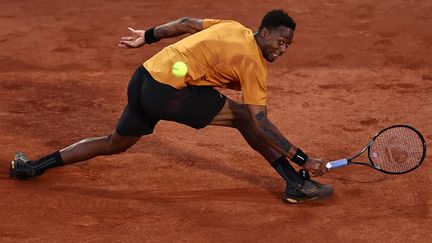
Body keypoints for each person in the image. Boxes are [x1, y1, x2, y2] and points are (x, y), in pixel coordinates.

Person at [10, 9, 332, 203]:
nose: (282, 49)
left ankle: (32, 167)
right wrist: (302, 157)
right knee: (244, 119)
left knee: (114, 143)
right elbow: (259, 122)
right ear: (263, 33)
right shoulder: (254, 66)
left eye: (287, 45)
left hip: (143, 77)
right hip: (167, 92)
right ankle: (295, 183)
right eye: (278, 41)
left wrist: (147, 36)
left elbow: (186, 23)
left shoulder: (232, 26)